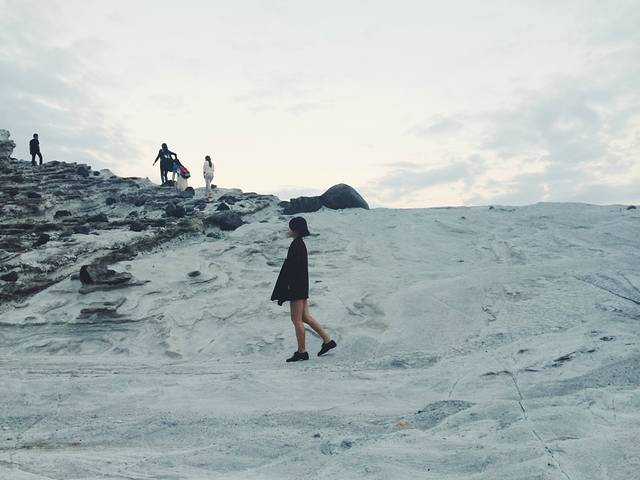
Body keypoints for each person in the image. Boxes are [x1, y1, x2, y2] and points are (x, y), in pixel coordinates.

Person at [271, 217, 336, 362]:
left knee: (296, 319)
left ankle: (302, 351)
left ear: (295, 229)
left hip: (296, 288)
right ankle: (328, 341)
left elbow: (291, 270)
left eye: (290, 227)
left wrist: (287, 289)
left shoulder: (296, 245)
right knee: (305, 317)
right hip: (301, 287)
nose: (288, 230)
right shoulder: (300, 244)